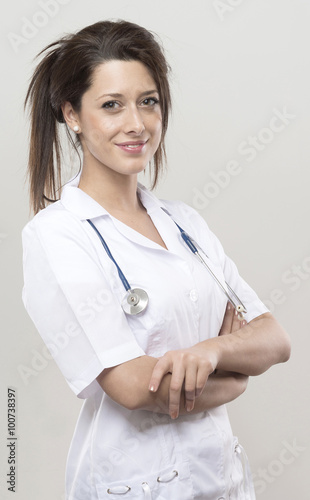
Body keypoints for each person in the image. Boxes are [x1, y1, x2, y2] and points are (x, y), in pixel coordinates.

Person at [22, 20, 291, 500]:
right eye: (111, 105)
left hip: (222, 478)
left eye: (148, 101)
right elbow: (131, 386)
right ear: (72, 114)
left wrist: (210, 353)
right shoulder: (58, 235)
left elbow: (274, 337)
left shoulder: (185, 223)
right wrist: (235, 380)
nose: (137, 123)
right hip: (134, 484)